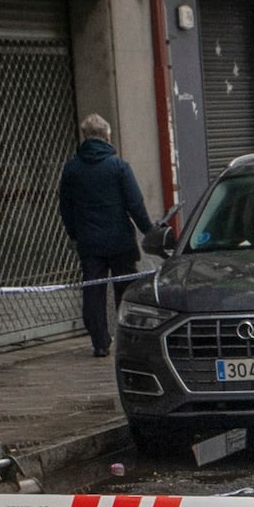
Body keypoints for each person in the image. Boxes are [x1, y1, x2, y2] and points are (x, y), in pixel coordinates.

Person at [56, 114, 150, 360]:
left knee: (93, 293)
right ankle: (126, 339)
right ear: (107, 136)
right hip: (120, 241)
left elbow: (65, 207)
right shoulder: (119, 167)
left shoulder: (72, 169)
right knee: (125, 290)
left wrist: (76, 233)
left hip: (90, 243)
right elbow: (135, 204)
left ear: (85, 137)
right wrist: (149, 231)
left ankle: (99, 343)